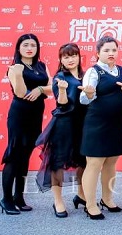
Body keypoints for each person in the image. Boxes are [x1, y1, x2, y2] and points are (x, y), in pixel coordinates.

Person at [79, 36, 122, 220]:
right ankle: (90, 204)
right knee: (94, 163)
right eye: (106, 50)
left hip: (117, 123)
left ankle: (107, 199)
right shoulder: (93, 71)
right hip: (97, 124)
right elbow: (84, 99)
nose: (111, 53)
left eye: (114, 50)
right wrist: (89, 93)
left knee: (111, 162)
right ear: (98, 53)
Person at [35, 43, 87, 217]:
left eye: (73, 55)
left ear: (79, 57)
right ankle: (58, 201)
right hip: (63, 125)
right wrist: (63, 90)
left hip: (82, 125)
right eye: (66, 57)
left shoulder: (86, 76)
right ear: (61, 60)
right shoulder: (60, 77)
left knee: (83, 162)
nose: (70, 59)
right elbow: (62, 103)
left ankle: (81, 195)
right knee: (58, 163)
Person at [1, 33, 50, 214]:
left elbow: (51, 87)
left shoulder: (41, 66)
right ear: (18, 48)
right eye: (25, 45)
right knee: (14, 156)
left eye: (33, 45)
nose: (30, 48)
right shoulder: (14, 68)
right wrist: (18, 73)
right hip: (19, 115)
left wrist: (39, 89)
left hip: (35, 116)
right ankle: (6, 199)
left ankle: (19, 197)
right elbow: (21, 93)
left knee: (25, 157)